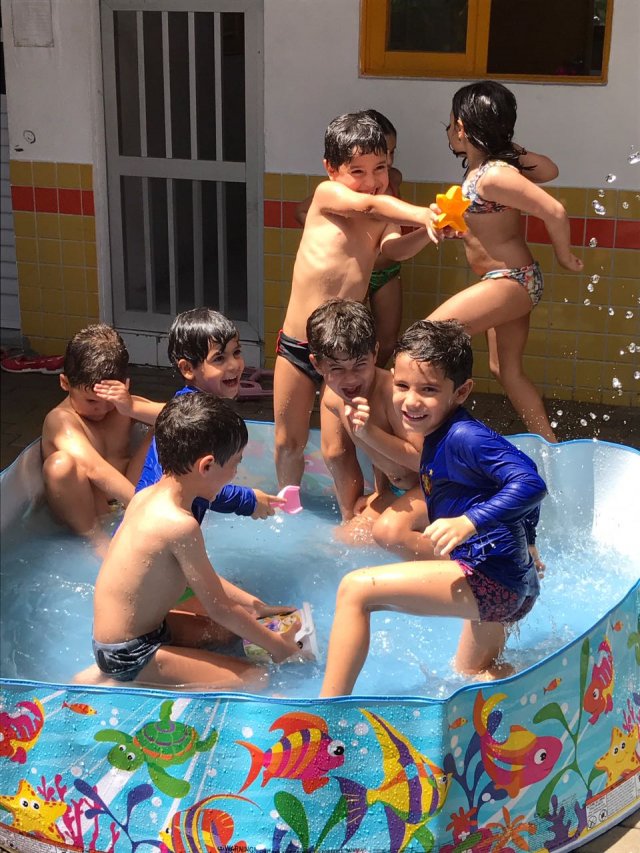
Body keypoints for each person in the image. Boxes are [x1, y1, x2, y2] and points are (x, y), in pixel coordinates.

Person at [320, 320, 547, 697]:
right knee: (472, 674)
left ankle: (324, 713)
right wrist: (531, 543)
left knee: (355, 590)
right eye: (402, 386)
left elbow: (531, 482)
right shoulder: (441, 433)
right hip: (510, 581)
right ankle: (543, 691)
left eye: (428, 390)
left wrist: (469, 521)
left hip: (492, 579)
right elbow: (520, 476)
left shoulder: (464, 437)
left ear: (461, 392)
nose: (411, 401)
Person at [83, 393, 303, 691]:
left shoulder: (145, 497)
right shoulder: (179, 525)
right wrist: (280, 648)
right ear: (207, 466)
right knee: (256, 678)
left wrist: (257, 606)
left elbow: (204, 583)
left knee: (226, 634)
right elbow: (220, 608)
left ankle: (124, 671)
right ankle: (117, 681)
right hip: (129, 653)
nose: (235, 474)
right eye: (235, 464)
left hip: (135, 634)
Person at [276, 110, 441, 488]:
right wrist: (423, 213)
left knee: (337, 450)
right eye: (358, 171)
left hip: (346, 352)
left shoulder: (386, 208)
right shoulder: (327, 194)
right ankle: (288, 510)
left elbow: (393, 250)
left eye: (380, 168)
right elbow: (368, 206)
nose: (371, 181)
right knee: (288, 443)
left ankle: (351, 513)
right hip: (299, 344)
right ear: (331, 169)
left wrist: (428, 232)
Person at [428, 81, 583, 443]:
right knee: (505, 370)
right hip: (511, 279)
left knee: (429, 337)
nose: (449, 131)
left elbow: (554, 209)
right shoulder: (487, 169)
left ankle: (430, 434)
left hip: (510, 279)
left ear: (461, 128)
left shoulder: (495, 174)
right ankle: (550, 446)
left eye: (451, 124)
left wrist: (565, 256)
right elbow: (547, 172)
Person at [307, 298, 433, 559]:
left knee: (387, 534)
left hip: (435, 487)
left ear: (375, 352)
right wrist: (379, 494)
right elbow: (340, 455)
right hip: (397, 490)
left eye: (360, 365)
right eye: (336, 368)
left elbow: (423, 461)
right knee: (340, 544)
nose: (350, 379)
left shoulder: (393, 395)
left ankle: (468, 563)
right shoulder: (332, 398)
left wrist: (368, 433)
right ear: (317, 364)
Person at [136, 307, 283, 524]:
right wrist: (248, 500)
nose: (234, 365)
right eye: (219, 358)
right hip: (158, 524)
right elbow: (192, 485)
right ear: (188, 368)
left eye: (236, 353)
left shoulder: (191, 407)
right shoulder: (191, 421)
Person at [296, 109, 404, 368]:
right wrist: (341, 238)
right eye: (383, 151)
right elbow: (301, 210)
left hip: (385, 270)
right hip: (355, 271)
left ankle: (367, 378)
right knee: (343, 343)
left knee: (386, 342)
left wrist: (429, 230)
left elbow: (389, 226)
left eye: (391, 153)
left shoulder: (393, 178)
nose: (388, 160)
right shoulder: (336, 191)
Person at [41, 324, 162, 555]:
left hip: (129, 496)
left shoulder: (122, 407)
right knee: (60, 465)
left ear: (125, 385)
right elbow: (93, 468)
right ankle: (95, 539)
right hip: (92, 511)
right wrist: (143, 506)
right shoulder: (61, 420)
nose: (102, 409)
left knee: (165, 426)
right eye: (91, 401)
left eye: (109, 400)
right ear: (65, 383)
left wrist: (131, 407)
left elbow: (180, 417)